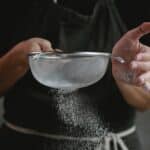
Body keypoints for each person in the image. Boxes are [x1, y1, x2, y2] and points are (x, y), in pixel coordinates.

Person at [0, 0, 150, 149]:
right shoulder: (14, 6)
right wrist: (18, 58)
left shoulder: (134, 7)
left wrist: (128, 73)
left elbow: (145, 101)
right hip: (23, 143)